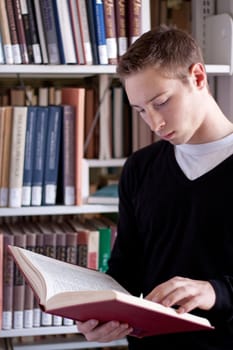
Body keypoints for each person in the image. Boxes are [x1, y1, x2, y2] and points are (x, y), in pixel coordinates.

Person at [77, 25, 233, 349]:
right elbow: (125, 269)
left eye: (161, 102)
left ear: (198, 77)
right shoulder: (140, 168)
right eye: (140, 111)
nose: (154, 124)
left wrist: (215, 291)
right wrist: (100, 314)